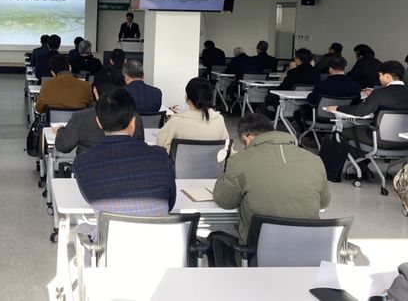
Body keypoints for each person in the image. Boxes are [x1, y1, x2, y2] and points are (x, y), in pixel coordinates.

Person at [210, 113, 330, 266]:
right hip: (306, 254)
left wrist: (225, 171)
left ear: (247, 137)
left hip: (257, 255)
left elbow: (224, 201)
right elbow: (324, 203)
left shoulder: (239, 161)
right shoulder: (314, 160)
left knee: (216, 238)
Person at [73, 88, 176, 216]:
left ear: (99, 122)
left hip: (112, 235)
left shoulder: (83, 163)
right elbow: (170, 204)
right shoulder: (161, 156)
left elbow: (90, 199)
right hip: (160, 234)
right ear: (133, 122)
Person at [55, 67, 145, 155]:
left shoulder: (80, 117)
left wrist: (60, 130)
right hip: (125, 167)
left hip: (88, 167)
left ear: (95, 90)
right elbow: (140, 148)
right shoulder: (135, 118)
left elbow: (63, 146)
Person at [156, 77, 228, 150]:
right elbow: (227, 147)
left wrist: (169, 123)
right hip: (211, 161)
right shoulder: (219, 119)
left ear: (186, 97)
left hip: (181, 161)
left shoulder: (176, 121)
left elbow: (160, 144)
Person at [327, 60, 408, 117]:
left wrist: (337, 108)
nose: (379, 78)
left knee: (344, 131)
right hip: (403, 138)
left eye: (380, 75)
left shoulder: (379, 94)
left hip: (377, 135)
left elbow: (360, 111)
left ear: (387, 77)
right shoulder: (379, 93)